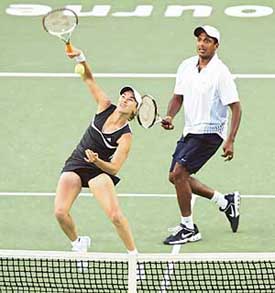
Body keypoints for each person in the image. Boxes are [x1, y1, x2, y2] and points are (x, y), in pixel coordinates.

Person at [54, 46, 141, 254]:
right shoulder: (104, 105)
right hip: (76, 162)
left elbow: (114, 169)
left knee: (115, 216)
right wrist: (81, 58)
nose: (124, 99)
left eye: (130, 99)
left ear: (134, 111)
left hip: (99, 171)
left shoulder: (125, 136)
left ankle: (134, 257)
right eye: (123, 95)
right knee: (60, 212)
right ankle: (78, 243)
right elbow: (89, 79)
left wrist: (96, 161)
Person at [161, 25, 242, 245]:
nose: (202, 44)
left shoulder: (221, 73)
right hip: (190, 130)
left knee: (179, 174)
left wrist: (230, 139)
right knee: (176, 177)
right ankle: (225, 202)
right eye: (200, 39)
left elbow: (236, 107)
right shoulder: (186, 66)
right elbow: (178, 97)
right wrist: (170, 116)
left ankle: (188, 228)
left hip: (210, 133)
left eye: (208, 40)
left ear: (216, 45)